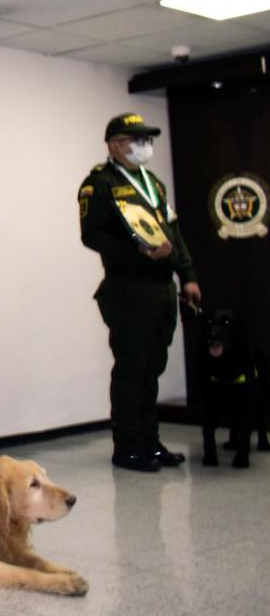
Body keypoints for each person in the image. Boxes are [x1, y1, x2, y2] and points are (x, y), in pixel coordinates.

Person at [79, 112, 201, 472]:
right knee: (131, 370)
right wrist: (138, 251)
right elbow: (92, 235)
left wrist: (188, 275)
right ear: (116, 144)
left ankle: (151, 441)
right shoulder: (98, 184)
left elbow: (173, 234)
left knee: (152, 368)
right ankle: (128, 446)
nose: (145, 146)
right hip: (129, 289)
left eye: (147, 140)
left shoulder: (154, 184)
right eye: (138, 140)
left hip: (162, 288)